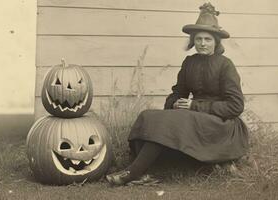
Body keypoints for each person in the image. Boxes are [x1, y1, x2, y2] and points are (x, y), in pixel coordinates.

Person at [106, 2, 249, 186]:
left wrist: (194, 105)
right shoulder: (189, 62)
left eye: (207, 39)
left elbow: (236, 106)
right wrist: (174, 104)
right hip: (195, 117)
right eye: (198, 39)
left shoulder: (225, 65)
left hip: (220, 123)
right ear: (193, 41)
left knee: (173, 121)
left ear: (216, 42)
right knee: (148, 116)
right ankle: (144, 172)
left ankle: (132, 173)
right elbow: (176, 93)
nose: (202, 44)